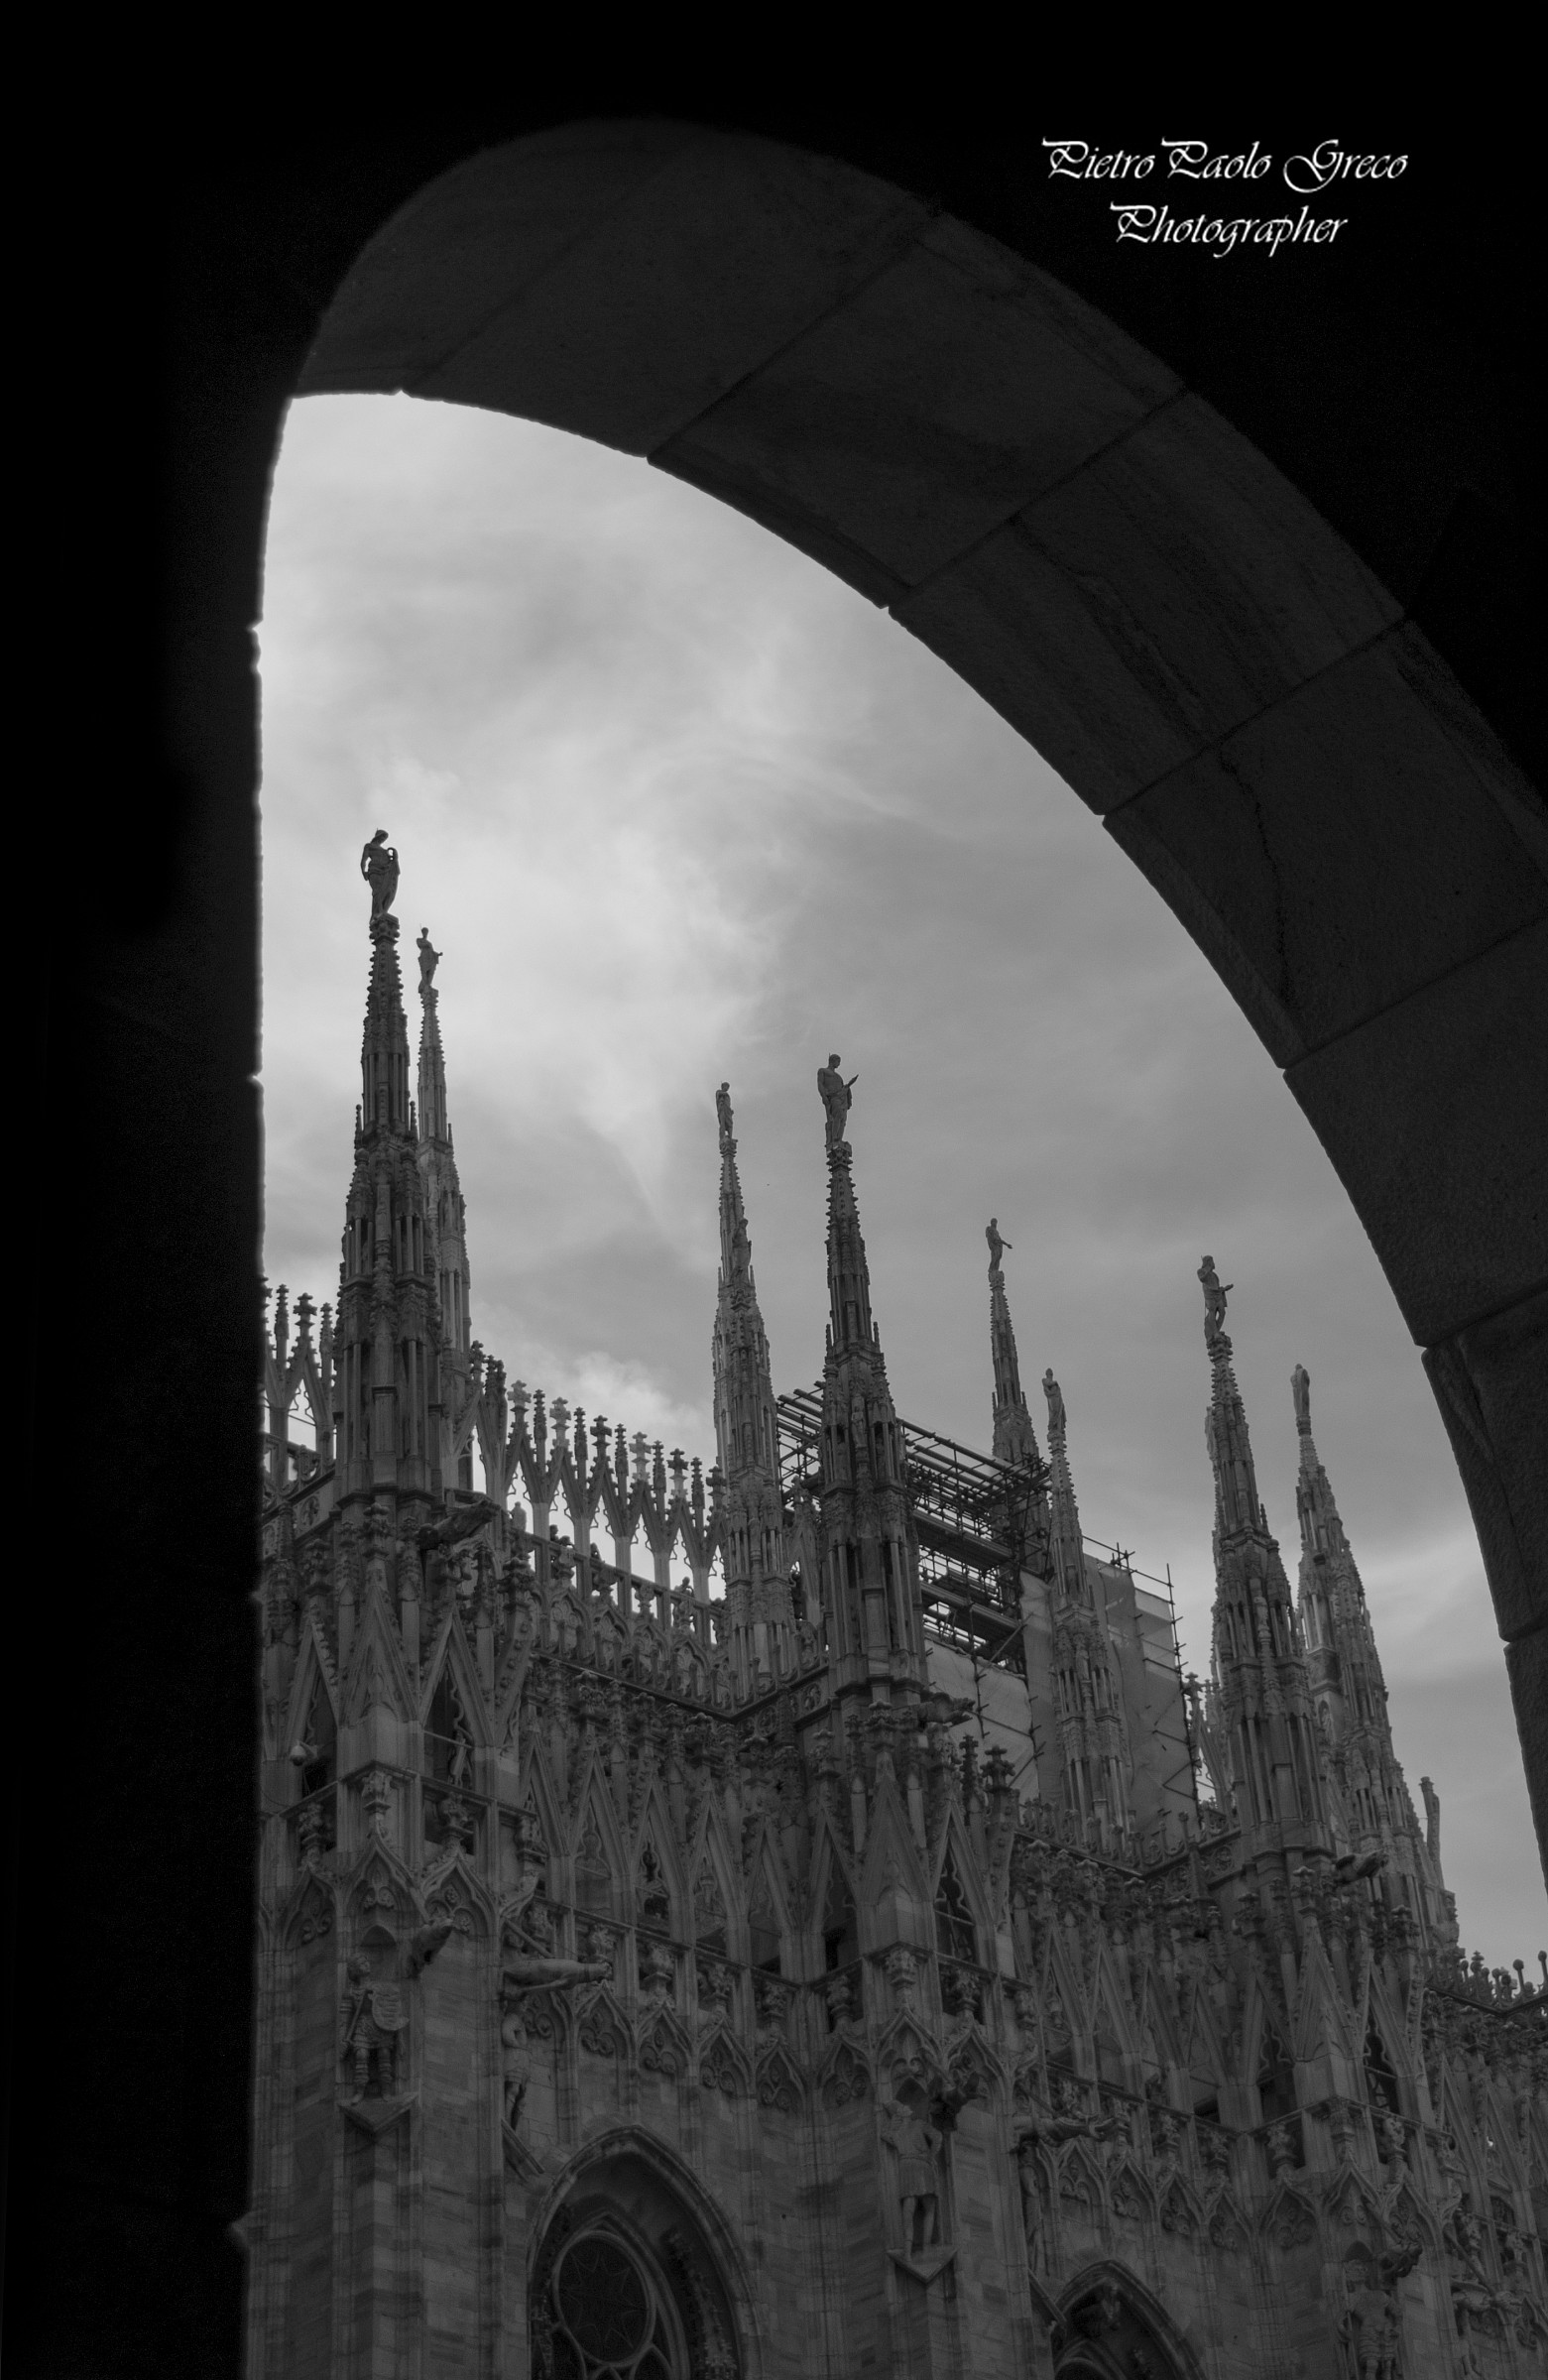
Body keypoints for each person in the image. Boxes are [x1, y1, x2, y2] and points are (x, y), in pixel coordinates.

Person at [817, 1054, 857, 1148]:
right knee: (838, 1115)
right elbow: (820, 1083)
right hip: (833, 1097)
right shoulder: (823, 1070)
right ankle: (834, 1137)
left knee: (843, 1119)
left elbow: (842, 1088)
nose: (839, 1064)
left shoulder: (839, 1077)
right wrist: (823, 1096)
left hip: (842, 1098)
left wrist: (847, 1087)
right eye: (838, 1061)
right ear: (833, 1060)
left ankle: (839, 1139)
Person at [361, 829, 400, 920]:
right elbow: (364, 860)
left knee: (389, 891)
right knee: (377, 891)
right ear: (378, 836)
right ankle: (379, 911)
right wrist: (363, 871)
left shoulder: (385, 851)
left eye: (384, 838)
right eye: (382, 836)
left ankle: (382, 911)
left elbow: (391, 862)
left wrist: (395, 857)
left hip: (385, 872)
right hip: (374, 871)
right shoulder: (369, 846)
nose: (383, 839)